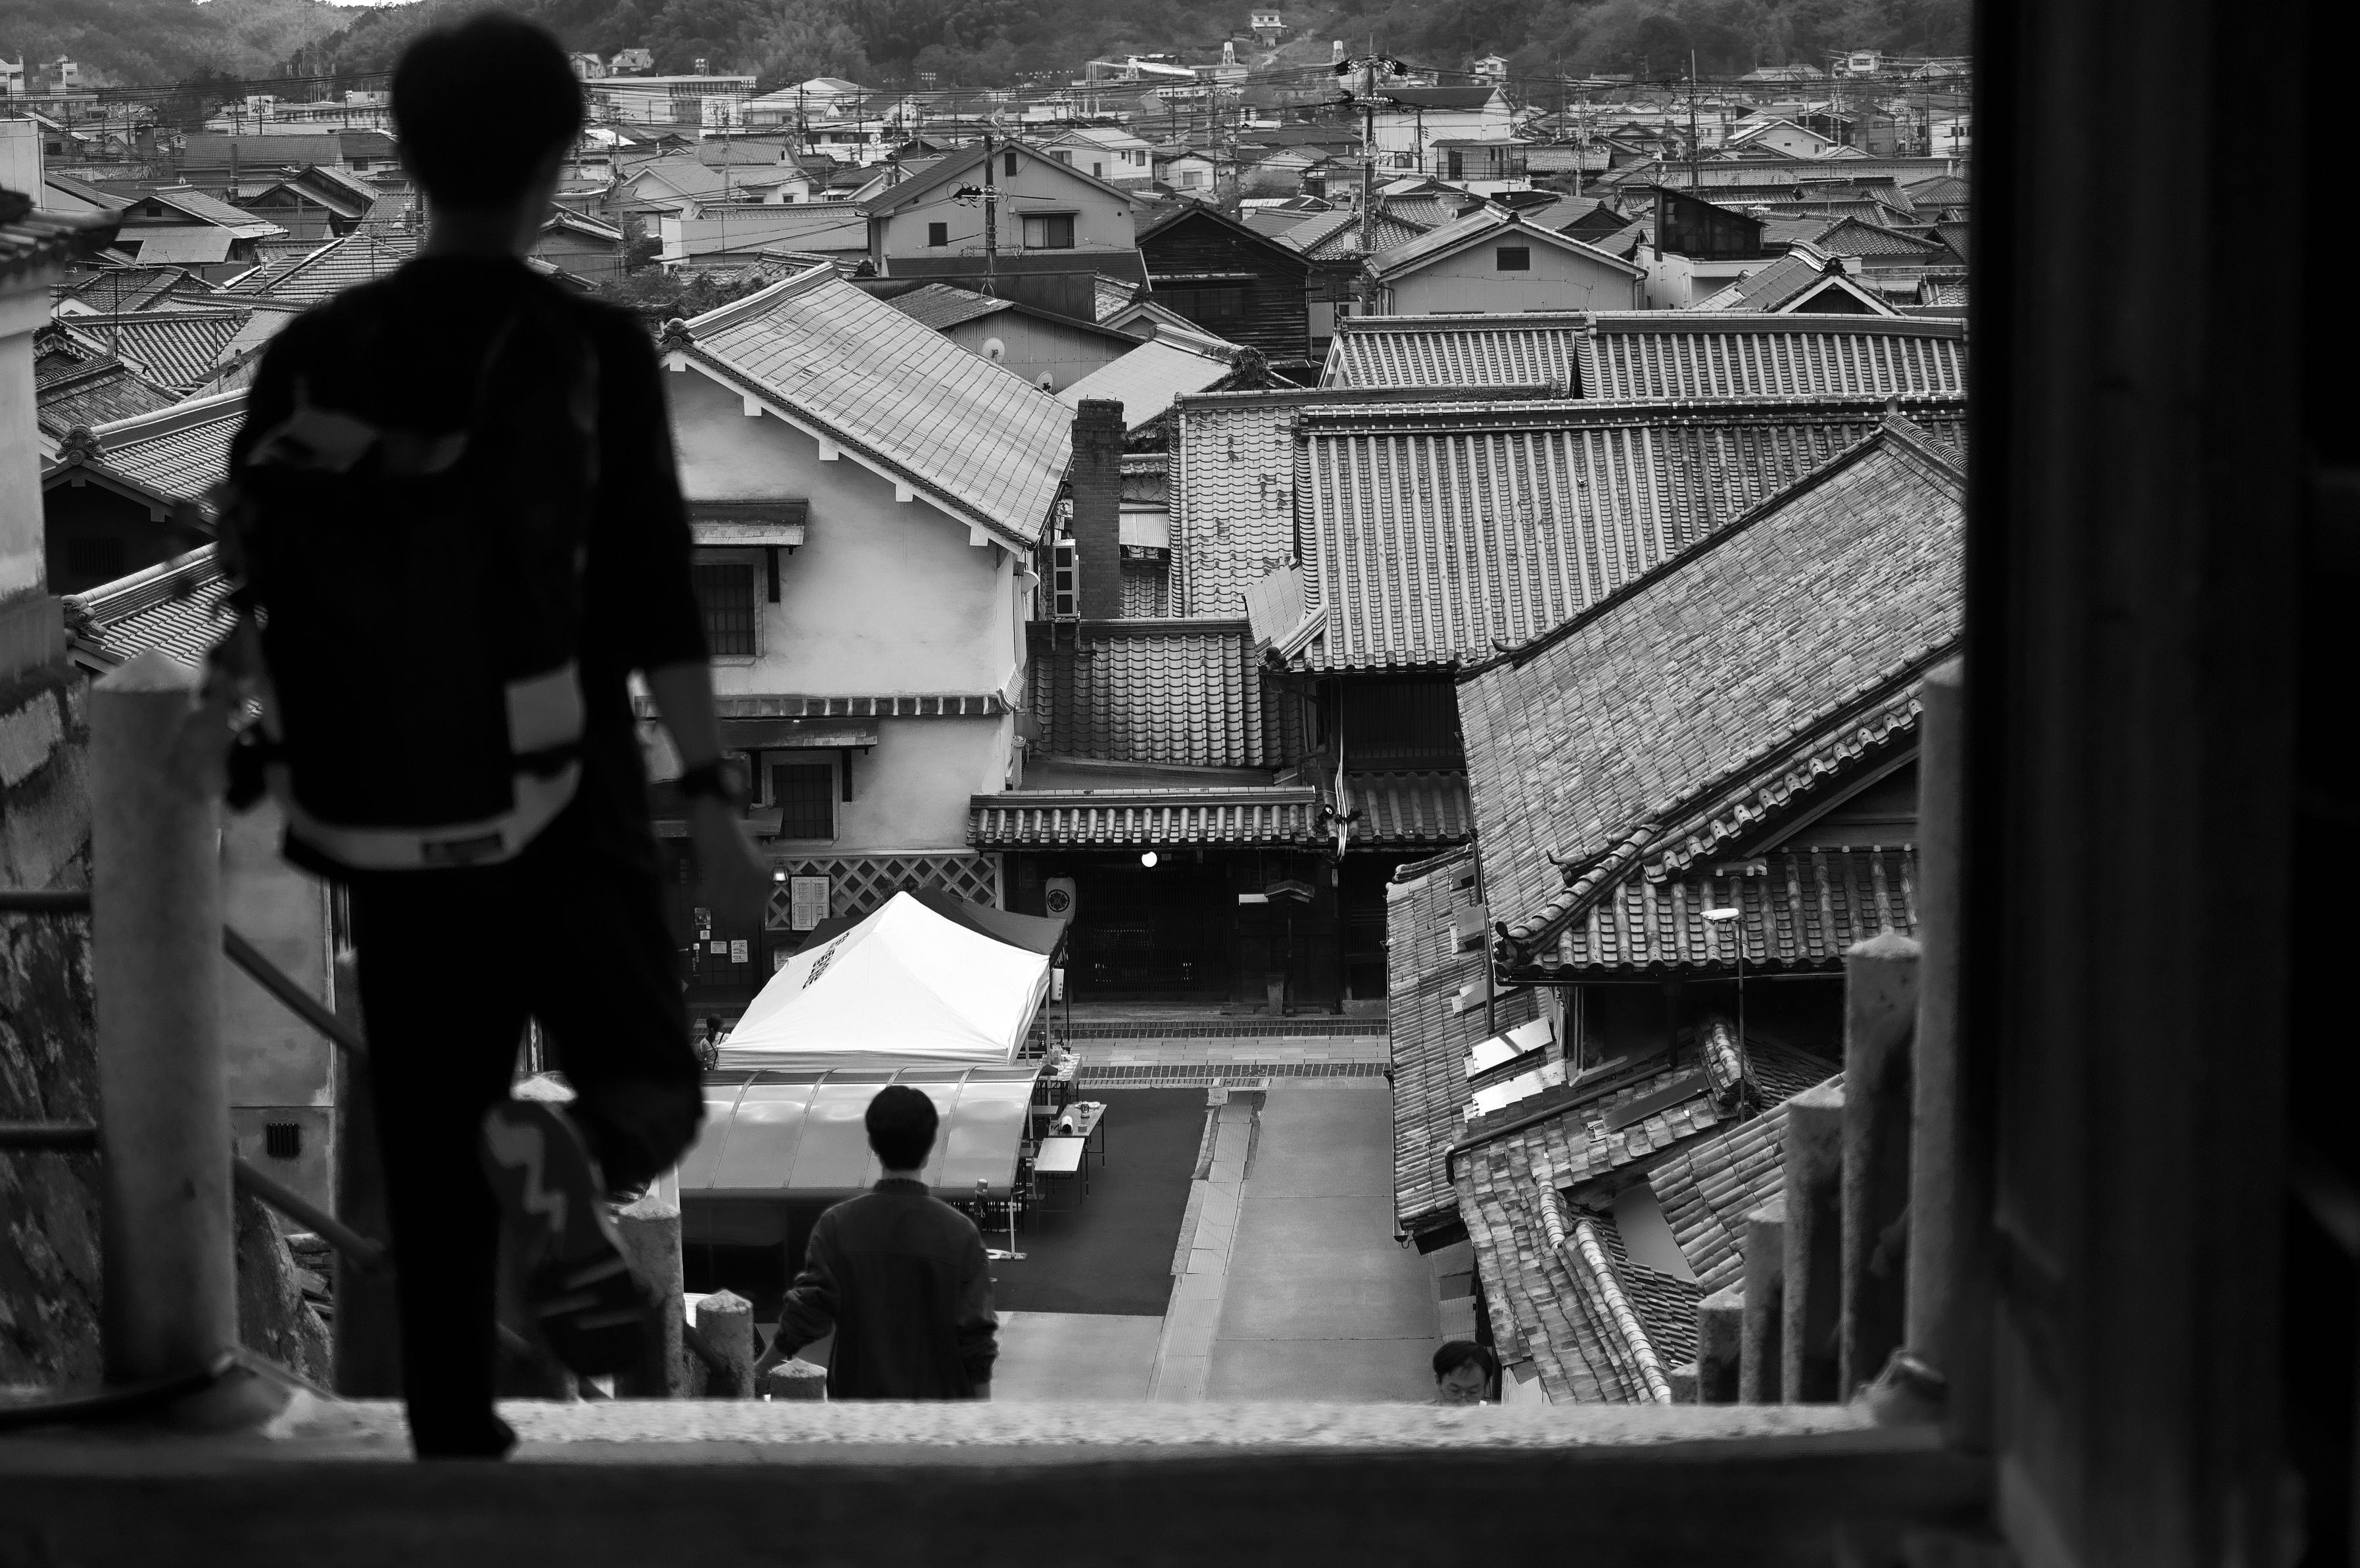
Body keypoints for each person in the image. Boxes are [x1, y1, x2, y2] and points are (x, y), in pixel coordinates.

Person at [217, 16, 769, 1460]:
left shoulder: (313, 354)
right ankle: (568, 1146)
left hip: (374, 805)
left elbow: (253, 573)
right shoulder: (588, 349)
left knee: (430, 1126)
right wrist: (710, 796)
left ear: (402, 158)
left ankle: (454, 1432)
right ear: (556, 161)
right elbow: (654, 589)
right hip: (562, 783)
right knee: (647, 1081)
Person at [755, 1085, 999, 1399]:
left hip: (860, 1407)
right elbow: (976, 1338)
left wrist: (761, 1369)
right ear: (930, 1147)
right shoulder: (961, 1234)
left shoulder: (837, 1226)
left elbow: (807, 1313)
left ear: (872, 1144)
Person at [1432, 1340, 1499, 1405]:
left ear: (1485, 1387)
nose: (1463, 1403)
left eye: (1473, 1392)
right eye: (1454, 1391)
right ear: (1438, 1382)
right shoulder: (1427, 1412)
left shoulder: (1494, 1412)